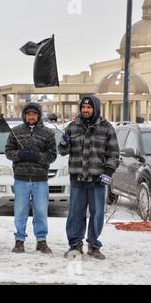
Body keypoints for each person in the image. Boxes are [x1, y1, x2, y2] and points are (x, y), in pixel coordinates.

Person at [58, 96, 119, 260]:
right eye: (83, 108)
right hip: (77, 179)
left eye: (89, 108)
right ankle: (75, 245)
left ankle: (93, 245)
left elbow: (114, 155)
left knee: (97, 214)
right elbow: (62, 151)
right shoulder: (72, 127)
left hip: (97, 180)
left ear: (95, 109)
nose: (85, 111)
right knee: (75, 214)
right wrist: (63, 143)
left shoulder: (106, 128)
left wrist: (108, 172)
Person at [5, 102, 57, 254]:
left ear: (39, 116)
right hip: (21, 179)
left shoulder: (48, 133)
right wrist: (20, 154)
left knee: (41, 211)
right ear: (24, 116)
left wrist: (37, 156)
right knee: (20, 211)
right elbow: (8, 152)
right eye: (28, 114)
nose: (31, 117)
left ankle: (41, 241)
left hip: (40, 179)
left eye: (34, 114)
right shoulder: (16, 132)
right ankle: (19, 240)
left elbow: (52, 155)